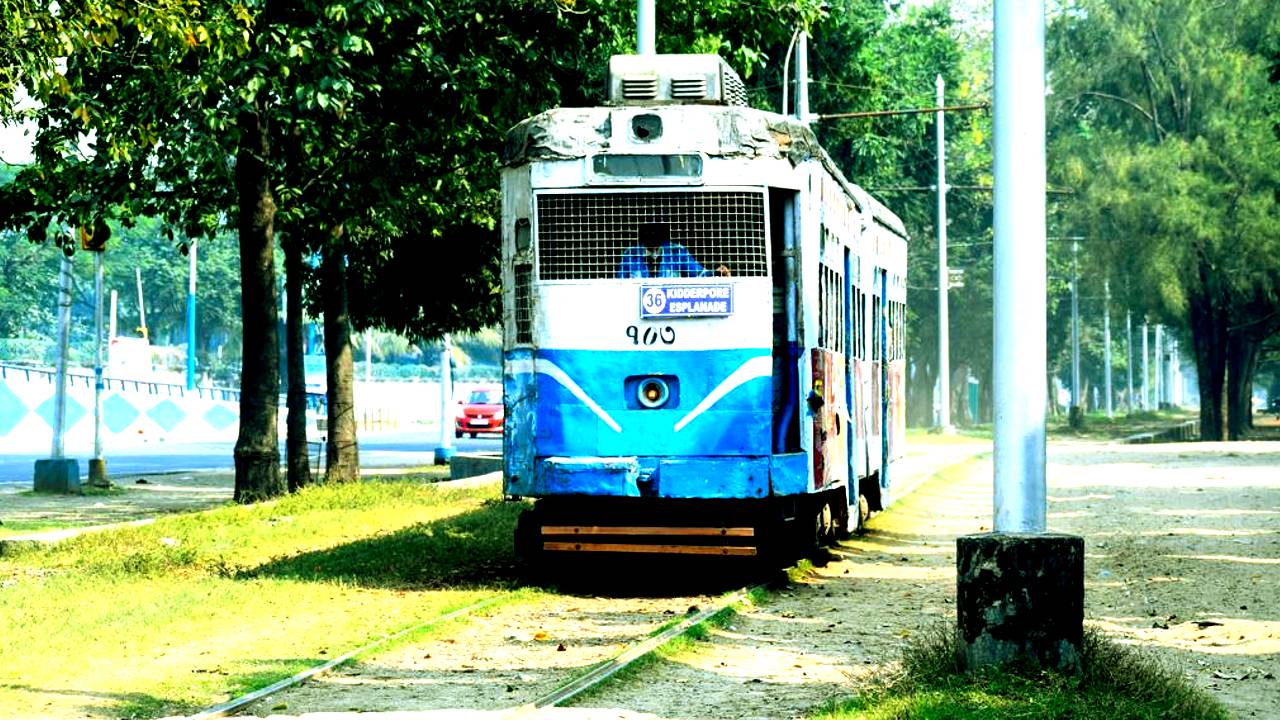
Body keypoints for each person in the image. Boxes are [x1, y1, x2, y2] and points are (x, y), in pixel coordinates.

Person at [617, 223, 730, 278]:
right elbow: (620, 283)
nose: (652, 234)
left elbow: (698, 273)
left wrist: (716, 273)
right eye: (648, 231)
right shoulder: (630, 254)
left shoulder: (677, 252)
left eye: (655, 230)